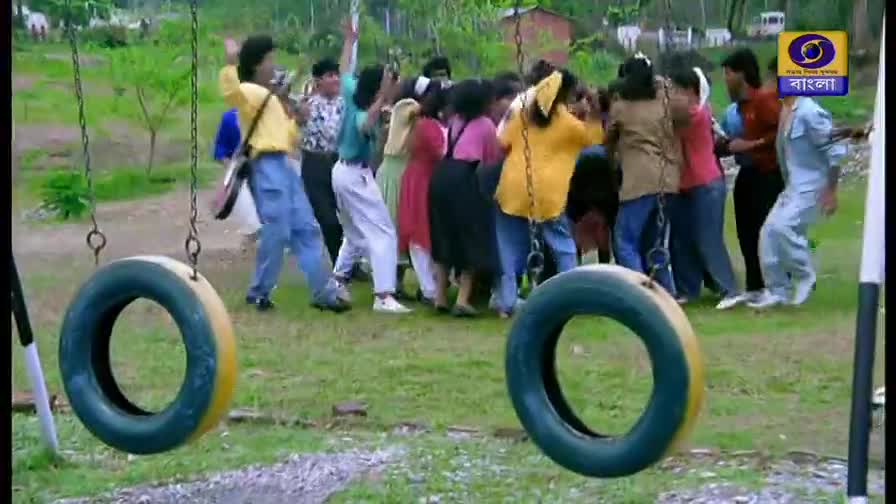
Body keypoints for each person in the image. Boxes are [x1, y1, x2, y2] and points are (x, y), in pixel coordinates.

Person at [219, 35, 349, 313]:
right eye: (269, 60)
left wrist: (297, 121)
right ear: (256, 65)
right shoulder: (253, 92)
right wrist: (230, 63)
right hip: (265, 165)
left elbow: (285, 138)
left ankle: (322, 291)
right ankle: (260, 292)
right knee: (277, 230)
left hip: (283, 164)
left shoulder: (273, 100)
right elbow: (232, 93)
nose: (274, 66)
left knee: (306, 228)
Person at [493, 70, 603, 317]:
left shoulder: (523, 111)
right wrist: (593, 113)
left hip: (512, 187)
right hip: (548, 194)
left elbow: (501, 141)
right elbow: (593, 140)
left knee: (508, 247)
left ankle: (506, 302)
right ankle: (569, 296)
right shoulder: (566, 123)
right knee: (562, 245)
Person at [331, 20, 411, 314]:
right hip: (355, 174)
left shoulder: (351, 91)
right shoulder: (364, 110)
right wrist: (383, 100)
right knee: (383, 232)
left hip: (341, 172)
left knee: (353, 233)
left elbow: (344, 72)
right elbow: (364, 124)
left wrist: (350, 42)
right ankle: (384, 295)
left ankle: (338, 279)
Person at [604, 53, 691, 295]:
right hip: (668, 179)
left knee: (625, 240)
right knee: (655, 245)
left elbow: (607, 140)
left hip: (638, 181)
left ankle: (641, 293)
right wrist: (664, 84)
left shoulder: (621, 108)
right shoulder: (664, 102)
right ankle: (668, 294)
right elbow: (687, 112)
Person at [750, 95, 845, 309]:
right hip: (794, 186)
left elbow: (835, 151)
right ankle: (777, 291)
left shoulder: (810, 112)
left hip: (813, 186)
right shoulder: (786, 110)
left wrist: (831, 190)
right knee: (768, 233)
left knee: (783, 227)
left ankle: (805, 276)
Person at [667, 67, 742, 308]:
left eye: (676, 88)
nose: (671, 92)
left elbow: (673, 115)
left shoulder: (698, 112)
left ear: (690, 90)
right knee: (681, 240)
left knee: (708, 238)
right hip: (681, 185)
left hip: (706, 183)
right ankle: (688, 289)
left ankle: (729, 289)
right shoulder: (680, 110)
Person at [429, 79, 502, 316]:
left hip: (441, 176)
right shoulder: (486, 125)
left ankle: (439, 296)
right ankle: (462, 299)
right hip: (464, 179)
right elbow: (492, 159)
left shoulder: (454, 122)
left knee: (443, 234)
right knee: (471, 235)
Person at [719, 48, 785, 307]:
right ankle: (754, 285)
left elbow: (781, 132)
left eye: (728, 73)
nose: (725, 79)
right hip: (746, 173)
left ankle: (776, 284)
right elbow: (730, 145)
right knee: (745, 230)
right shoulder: (737, 109)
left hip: (768, 174)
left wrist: (753, 144)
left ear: (742, 74)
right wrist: (727, 145)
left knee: (766, 230)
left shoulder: (764, 100)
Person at [377, 76, 445, 300]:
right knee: (407, 229)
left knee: (408, 229)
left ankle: (408, 283)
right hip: (407, 176)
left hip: (411, 175)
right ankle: (416, 285)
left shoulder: (418, 121)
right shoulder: (409, 111)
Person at [397, 79, 451, 305]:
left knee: (425, 232)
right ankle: (428, 287)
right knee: (418, 232)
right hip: (423, 179)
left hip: (425, 176)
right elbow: (442, 152)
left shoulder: (426, 123)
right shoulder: (428, 125)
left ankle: (430, 284)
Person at [298, 57, 345, 265]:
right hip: (315, 164)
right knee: (328, 218)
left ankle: (348, 263)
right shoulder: (308, 105)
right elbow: (297, 118)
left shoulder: (344, 103)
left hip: (339, 163)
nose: (335, 79)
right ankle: (339, 263)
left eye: (336, 75)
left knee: (348, 217)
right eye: (329, 76)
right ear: (318, 81)